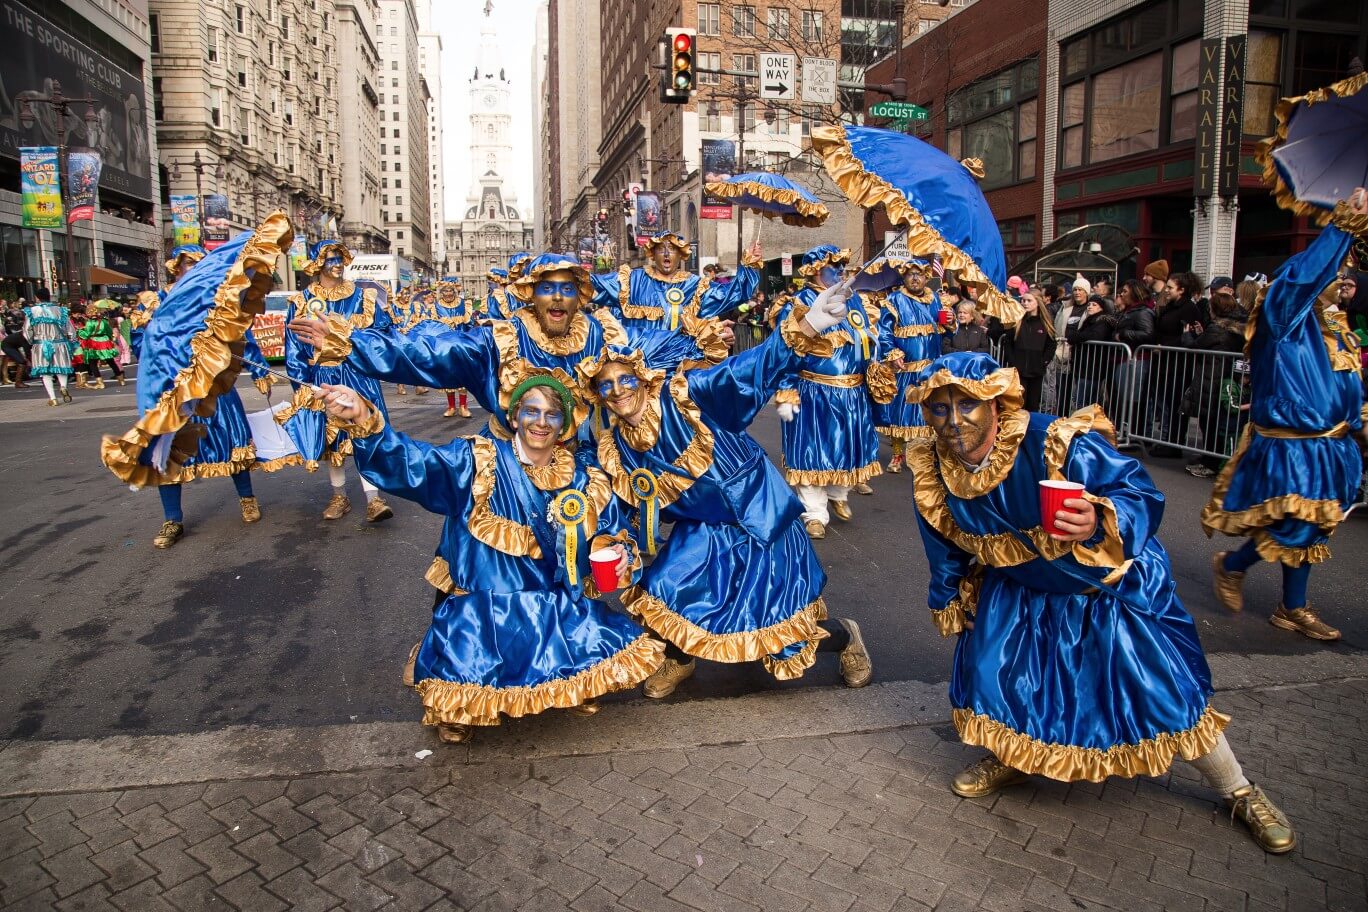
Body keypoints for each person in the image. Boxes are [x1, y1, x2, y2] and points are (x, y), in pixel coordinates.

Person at [908, 350, 1296, 855]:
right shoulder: (932, 466)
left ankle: (1238, 789)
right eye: (939, 408)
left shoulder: (1055, 441)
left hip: (1100, 584)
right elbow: (941, 539)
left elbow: (1139, 493)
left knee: (1162, 693)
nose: (954, 421)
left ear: (997, 403)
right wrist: (950, 596)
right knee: (998, 680)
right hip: (1021, 590)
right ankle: (1014, 759)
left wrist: (1097, 521)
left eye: (968, 404)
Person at [320, 374, 663, 744]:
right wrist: (363, 419)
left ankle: (568, 680)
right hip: (484, 606)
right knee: (467, 668)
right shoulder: (477, 461)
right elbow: (416, 463)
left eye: (552, 415)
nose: (541, 423)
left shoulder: (582, 479)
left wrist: (616, 555)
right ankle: (460, 692)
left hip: (549, 600)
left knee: (588, 640)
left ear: (565, 425)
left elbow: (609, 532)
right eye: (531, 411)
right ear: (514, 418)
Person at [578, 284, 873, 697]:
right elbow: (621, 502)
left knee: (779, 628)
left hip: (755, 516)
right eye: (604, 385)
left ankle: (846, 636)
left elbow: (751, 367)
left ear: (643, 377)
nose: (617, 391)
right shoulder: (613, 443)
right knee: (665, 590)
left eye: (624, 379)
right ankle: (679, 658)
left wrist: (807, 324)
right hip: (700, 525)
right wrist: (616, 542)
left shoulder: (689, 395)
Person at [287, 253, 679, 451]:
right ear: (530, 294)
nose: (558, 296)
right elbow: (426, 352)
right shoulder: (501, 340)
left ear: (580, 296)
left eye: (567, 288)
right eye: (547, 288)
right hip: (508, 463)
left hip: (581, 464)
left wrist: (708, 336)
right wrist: (352, 342)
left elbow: (660, 344)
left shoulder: (603, 333)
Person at [1204, 190, 1368, 643]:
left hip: (1334, 444)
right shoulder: (1284, 317)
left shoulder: (1338, 328)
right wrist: (1343, 225)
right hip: (1292, 443)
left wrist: (1361, 421)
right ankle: (1232, 565)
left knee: (1317, 528)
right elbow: (1302, 280)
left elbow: (1348, 384)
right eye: (1337, 276)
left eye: (1348, 279)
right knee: (1295, 524)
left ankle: (1291, 607)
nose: (1343, 283)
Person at [773, 245, 895, 538]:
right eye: (834, 268)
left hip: (852, 393)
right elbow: (785, 349)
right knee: (812, 453)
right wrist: (787, 389)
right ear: (816, 270)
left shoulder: (853, 303)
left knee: (845, 449)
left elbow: (867, 341)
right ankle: (814, 512)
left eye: (842, 269)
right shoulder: (799, 302)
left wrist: (877, 366)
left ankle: (839, 494)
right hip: (814, 392)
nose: (841, 274)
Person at [277, 239, 396, 522]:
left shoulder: (362, 297)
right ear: (318, 264)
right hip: (323, 376)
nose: (338, 264)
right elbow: (293, 347)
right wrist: (303, 385)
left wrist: (366, 352)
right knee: (334, 443)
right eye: (331, 259)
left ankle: (374, 500)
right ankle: (339, 497)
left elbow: (383, 331)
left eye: (340, 259)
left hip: (358, 375)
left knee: (365, 433)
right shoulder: (302, 301)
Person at [590, 233, 759, 340]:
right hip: (638, 366)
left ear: (680, 254)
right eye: (660, 249)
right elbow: (592, 285)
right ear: (652, 254)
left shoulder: (695, 285)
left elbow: (733, 294)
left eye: (671, 249)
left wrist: (749, 264)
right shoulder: (631, 280)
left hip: (679, 365)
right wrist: (567, 270)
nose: (665, 254)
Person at [872, 259, 944, 473]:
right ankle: (897, 454)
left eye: (919, 274)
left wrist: (950, 323)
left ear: (926, 277)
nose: (915, 278)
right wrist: (892, 353)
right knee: (901, 413)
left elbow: (947, 329)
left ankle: (925, 454)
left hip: (930, 368)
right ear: (904, 277)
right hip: (905, 368)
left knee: (928, 412)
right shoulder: (894, 300)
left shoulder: (935, 300)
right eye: (910, 274)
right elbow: (884, 332)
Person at [1182, 287, 1248, 478]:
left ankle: (1210, 461)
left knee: (1209, 422)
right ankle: (1210, 458)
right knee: (1217, 423)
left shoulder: (1218, 328)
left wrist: (1188, 334)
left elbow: (1194, 346)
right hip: (1224, 377)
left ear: (1215, 309)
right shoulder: (1236, 328)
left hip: (1213, 378)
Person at [1149, 271, 1206, 456]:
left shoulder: (1189, 309)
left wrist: (1164, 346)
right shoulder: (1170, 306)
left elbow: (1188, 336)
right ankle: (1166, 440)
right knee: (1165, 402)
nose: (1166, 290)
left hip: (1178, 363)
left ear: (1181, 290)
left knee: (1175, 404)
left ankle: (1174, 443)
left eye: (1170, 288)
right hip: (1164, 361)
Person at [999, 290, 1055, 411]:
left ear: (1038, 302)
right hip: (1019, 370)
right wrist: (1013, 361)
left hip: (1036, 370)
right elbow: (1008, 342)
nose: (1025, 303)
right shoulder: (1018, 321)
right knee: (1019, 403)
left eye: (1029, 300)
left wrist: (1043, 362)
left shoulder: (1045, 323)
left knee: (1033, 404)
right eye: (1023, 300)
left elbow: (1051, 345)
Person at [23, 288, 76, 406]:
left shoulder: (32, 311)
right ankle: (63, 386)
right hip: (59, 343)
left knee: (45, 372)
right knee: (61, 367)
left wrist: (32, 341)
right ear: (49, 296)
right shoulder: (60, 310)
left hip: (41, 344)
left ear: (37, 297)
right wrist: (71, 341)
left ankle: (53, 398)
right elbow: (70, 329)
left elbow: (26, 331)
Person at [1065, 295, 1116, 411]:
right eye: (1089, 304)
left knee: (1083, 402)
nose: (1090, 307)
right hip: (1084, 366)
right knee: (1083, 400)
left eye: (1094, 305)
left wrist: (1077, 337)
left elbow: (1095, 336)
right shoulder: (1089, 321)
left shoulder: (1103, 321)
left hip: (1092, 367)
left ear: (1101, 308)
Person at [77, 306, 125, 387]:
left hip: (94, 343)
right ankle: (121, 380)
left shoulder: (89, 323)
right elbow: (109, 332)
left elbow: (86, 335)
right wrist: (110, 339)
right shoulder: (104, 321)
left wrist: (79, 330)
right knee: (111, 361)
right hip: (105, 341)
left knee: (93, 363)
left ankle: (100, 382)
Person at [2, 298, 31, 388]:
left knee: (22, 361)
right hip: (6, 346)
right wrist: (29, 359)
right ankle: (18, 382)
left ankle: (19, 381)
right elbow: (27, 350)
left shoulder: (26, 335)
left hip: (11, 345)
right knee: (21, 362)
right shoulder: (25, 336)